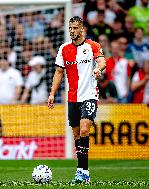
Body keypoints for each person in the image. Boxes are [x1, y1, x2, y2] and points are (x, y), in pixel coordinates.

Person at [48, 16, 106, 183]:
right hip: (72, 97)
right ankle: (80, 171)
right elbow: (59, 73)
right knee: (76, 135)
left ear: (82, 29)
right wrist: (52, 93)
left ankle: (84, 172)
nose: (72, 31)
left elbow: (102, 61)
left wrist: (98, 69)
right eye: (70, 28)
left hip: (89, 95)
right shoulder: (64, 49)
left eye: (75, 28)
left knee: (84, 129)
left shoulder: (92, 46)